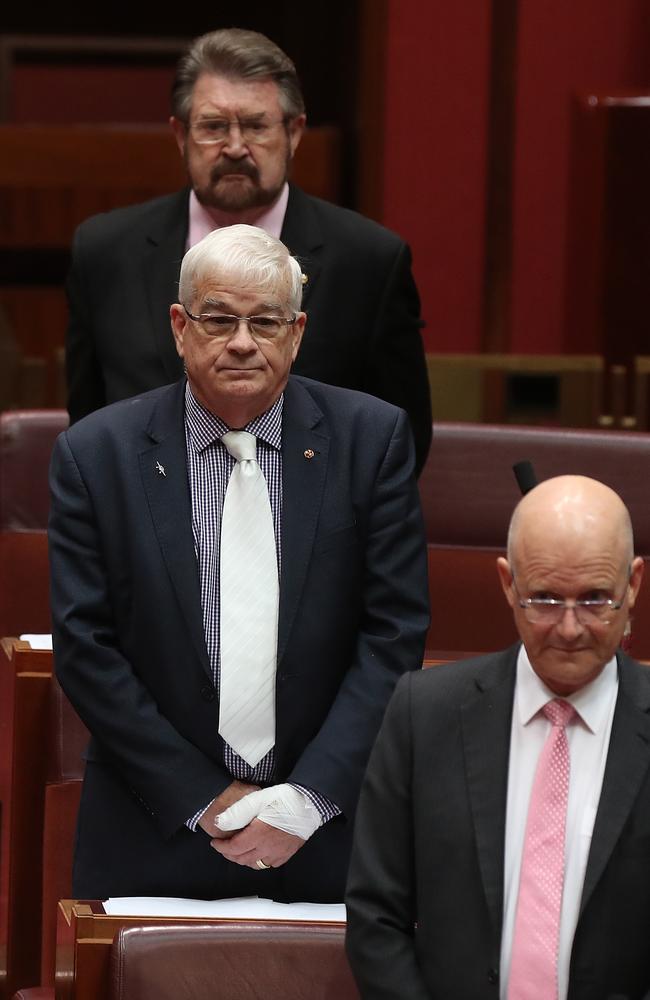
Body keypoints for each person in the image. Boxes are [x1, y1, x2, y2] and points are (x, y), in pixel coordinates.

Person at [48, 224, 429, 903]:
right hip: (153, 824)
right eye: (219, 319)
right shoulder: (95, 456)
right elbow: (86, 648)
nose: (244, 342)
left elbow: (393, 634)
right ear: (179, 325)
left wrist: (308, 798)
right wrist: (202, 797)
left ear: (298, 330)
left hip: (330, 829)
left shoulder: (371, 442)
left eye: (266, 322)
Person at [64, 27, 432, 476]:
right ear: (181, 135)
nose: (235, 147)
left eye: (256, 126)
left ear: (294, 133)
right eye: (214, 127)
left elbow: (401, 441)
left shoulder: (370, 261)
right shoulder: (104, 252)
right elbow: (88, 426)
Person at [345, 474, 650, 999]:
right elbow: (377, 915)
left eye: (596, 599)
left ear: (634, 585)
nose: (571, 628)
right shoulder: (425, 713)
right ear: (508, 584)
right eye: (546, 599)